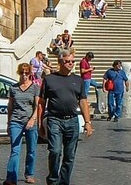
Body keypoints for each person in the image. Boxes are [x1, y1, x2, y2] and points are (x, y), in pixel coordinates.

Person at [36, 49, 93, 185]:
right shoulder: (49, 80)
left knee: (70, 155)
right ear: (60, 62)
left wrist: (88, 122)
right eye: (67, 61)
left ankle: (64, 182)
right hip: (54, 119)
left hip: (72, 120)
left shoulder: (78, 80)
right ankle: (53, 179)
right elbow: (41, 103)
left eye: (72, 61)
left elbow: (83, 101)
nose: (70, 64)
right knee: (55, 151)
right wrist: (39, 123)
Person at [5, 62, 40, 185]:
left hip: (30, 121)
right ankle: (11, 178)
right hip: (16, 121)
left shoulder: (35, 88)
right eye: (22, 73)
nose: (24, 75)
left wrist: (33, 119)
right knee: (15, 149)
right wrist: (8, 123)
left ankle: (29, 174)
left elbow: (37, 106)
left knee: (31, 150)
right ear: (19, 73)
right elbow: (10, 106)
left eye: (27, 73)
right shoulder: (13, 88)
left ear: (30, 74)